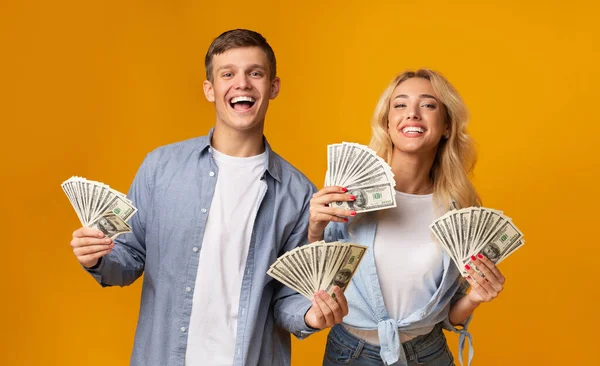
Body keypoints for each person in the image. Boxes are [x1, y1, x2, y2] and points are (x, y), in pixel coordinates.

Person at [69, 29, 347, 366]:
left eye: (255, 73)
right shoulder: (160, 167)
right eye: (227, 74)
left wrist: (311, 316)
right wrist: (96, 257)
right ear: (209, 89)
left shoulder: (299, 192)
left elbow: (286, 298)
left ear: (273, 87)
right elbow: (127, 260)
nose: (242, 83)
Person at [308, 69, 507, 366]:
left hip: (427, 354)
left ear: (447, 126)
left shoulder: (460, 210)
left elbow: (448, 313)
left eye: (428, 105)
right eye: (400, 105)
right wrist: (314, 229)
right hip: (351, 355)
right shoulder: (348, 195)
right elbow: (314, 282)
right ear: (387, 123)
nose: (412, 114)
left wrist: (476, 297)